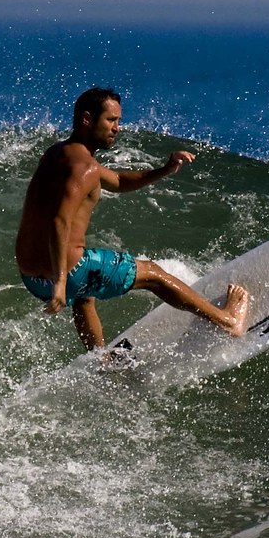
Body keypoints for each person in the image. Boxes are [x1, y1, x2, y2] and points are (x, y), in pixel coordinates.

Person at [15, 87, 249, 352]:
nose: (117, 128)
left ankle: (100, 359)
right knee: (153, 274)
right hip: (67, 273)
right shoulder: (84, 168)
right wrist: (60, 282)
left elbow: (116, 180)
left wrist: (164, 170)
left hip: (33, 278)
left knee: (85, 296)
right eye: (111, 120)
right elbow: (60, 222)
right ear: (87, 119)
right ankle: (227, 321)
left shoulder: (58, 154)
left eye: (118, 121)